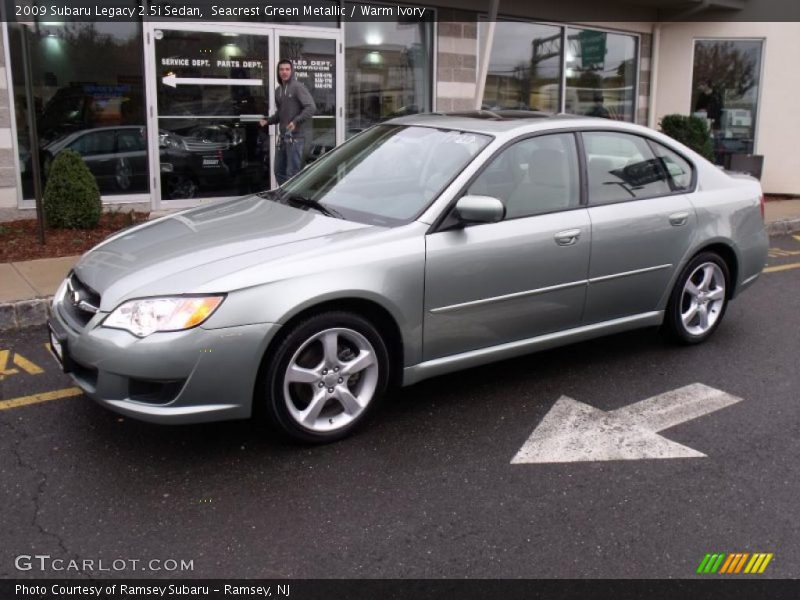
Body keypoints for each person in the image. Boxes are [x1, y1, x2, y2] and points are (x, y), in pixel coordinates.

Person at [259, 59, 316, 185]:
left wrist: (296, 121)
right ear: (278, 72)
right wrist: (268, 121)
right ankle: (287, 194)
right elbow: (280, 113)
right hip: (284, 137)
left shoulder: (297, 87)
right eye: (281, 69)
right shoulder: (278, 90)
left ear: (292, 71)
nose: (284, 72)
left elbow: (311, 107)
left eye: (287, 69)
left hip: (296, 137)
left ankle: (293, 196)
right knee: (278, 171)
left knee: (292, 173)